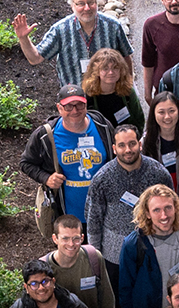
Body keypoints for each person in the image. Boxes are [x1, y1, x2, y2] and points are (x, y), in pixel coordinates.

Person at [23, 87, 114, 241]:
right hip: (69, 215)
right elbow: (26, 163)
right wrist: (46, 178)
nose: (74, 110)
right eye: (68, 106)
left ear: (86, 105)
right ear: (59, 108)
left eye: (79, 105)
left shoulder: (102, 126)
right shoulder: (46, 134)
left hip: (104, 211)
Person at [89, 125, 175, 285]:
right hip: (114, 255)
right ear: (114, 149)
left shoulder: (159, 174)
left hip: (153, 251)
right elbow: (94, 221)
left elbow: (172, 211)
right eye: (122, 145)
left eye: (132, 144)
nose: (127, 149)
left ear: (140, 144)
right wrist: (95, 259)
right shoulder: (102, 179)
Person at [14, 0, 133, 90]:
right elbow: (35, 58)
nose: (87, 8)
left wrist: (128, 85)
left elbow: (126, 56)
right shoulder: (60, 30)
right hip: (75, 101)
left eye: (91, 2)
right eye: (81, 3)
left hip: (108, 95)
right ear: (72, 5)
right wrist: (23, 38)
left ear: (97, 2)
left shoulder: (112, 26)